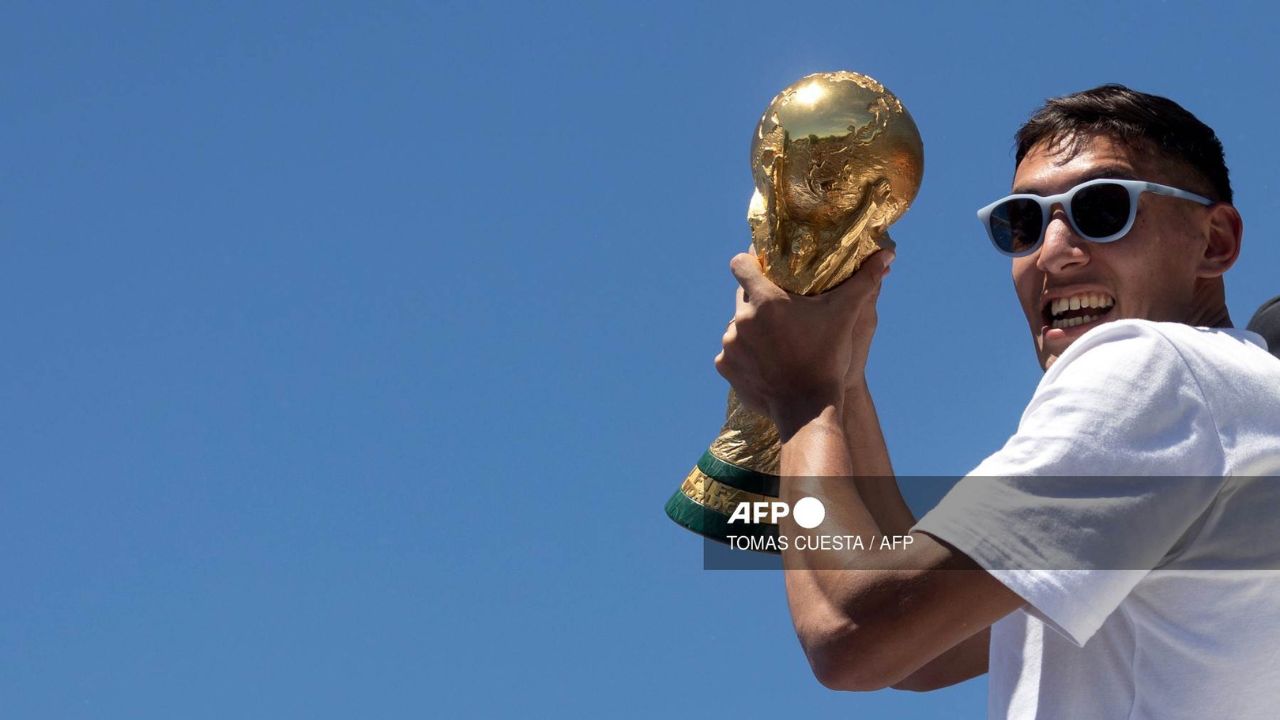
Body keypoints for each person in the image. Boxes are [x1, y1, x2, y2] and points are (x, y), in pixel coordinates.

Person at [715, 84, 1280, 719]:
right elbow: (922, 645)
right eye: (1025, 221)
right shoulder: (1236, 406)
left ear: (1215, 242)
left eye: (1102, 208)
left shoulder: (1156, 366)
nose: (1054, 253)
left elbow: (853, 631)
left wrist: (801, 396)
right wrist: (841, 374)